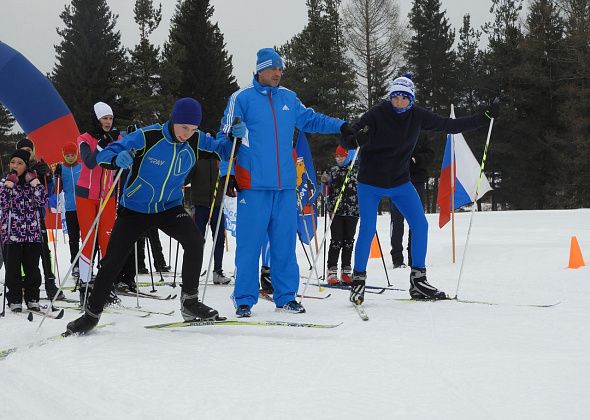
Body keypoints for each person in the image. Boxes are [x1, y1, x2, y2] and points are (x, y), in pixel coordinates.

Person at [65, 97, 234, 335]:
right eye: (184, 127)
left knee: (195, 241)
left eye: (193, 129)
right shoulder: (148, 137)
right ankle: (91, 315)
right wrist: (116, 158)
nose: (188, 133)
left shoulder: (196, 141)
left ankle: (189, 302)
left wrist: (231, 136)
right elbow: (105, 155)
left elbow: (224, 151)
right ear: (174, 120)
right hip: (135, 209)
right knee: (112, 261)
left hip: (168, 207)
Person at [341, 73, 499, 303]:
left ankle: (418, 281)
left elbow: (450, 126)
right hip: (370, 182)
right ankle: (358, 280)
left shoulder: (417, 115)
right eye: (395, 97)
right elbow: (348, 138)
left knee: (420, 224)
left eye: (404, 98)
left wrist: (483, 117)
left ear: (411, 99)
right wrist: (352, 139)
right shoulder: (377, 114)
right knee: (368, 228)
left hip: (399, 182)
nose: (398, 102)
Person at [218, 48, 349, 317]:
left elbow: (312, 119)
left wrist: (342, 126)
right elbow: (222, 140)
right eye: (272, 69)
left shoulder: (289, 98)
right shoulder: (240, 98)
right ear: (259, 71)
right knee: (249, 244)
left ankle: (286, 296)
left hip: (285, 185)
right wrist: (226, 170)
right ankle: (244, 299)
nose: (277, 73)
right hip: (252, 185)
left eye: (280, 69)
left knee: (284, 244)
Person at [75, 102, 120, 306]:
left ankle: (105, 287)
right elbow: (90, 162)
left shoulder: (116, 138)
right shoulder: (84, 139)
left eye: (110, 118)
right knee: (88, 239)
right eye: (104, 118)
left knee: (107, 242)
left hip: (108, 195)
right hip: (86, 196)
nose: (108, 122)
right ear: (96, 119)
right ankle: (85, 286)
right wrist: (102, 143)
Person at [0, 149, 48, 312]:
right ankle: (14, 299)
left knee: (32, 269)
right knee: (13, 269)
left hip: (31, 233)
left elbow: (43, 201)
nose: (15, 166)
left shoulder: (32, 182)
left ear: (26, 166)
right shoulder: (5, 182)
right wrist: (8, 186)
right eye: (13, 162)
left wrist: (36, 183)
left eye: (19, 163)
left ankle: (32, 297)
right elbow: (2, 204)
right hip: (12, 234)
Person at [15, 138, 62, 300]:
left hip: (37, 216)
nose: (27, 153)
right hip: (19, 220)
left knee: (44, 250)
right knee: (22, 252)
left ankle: (50, 283)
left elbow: (50, 192)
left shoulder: (39, 166)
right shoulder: (15, 168)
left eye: (29, 150)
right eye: (23, 150)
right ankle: (23, 282)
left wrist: (47, 176)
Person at [188, 154, 231, 285]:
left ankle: (217, 271)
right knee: (197, 240)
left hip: (217, 204)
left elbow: (226, 178)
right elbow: (185, 178)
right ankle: (192, 273)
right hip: (200, 205)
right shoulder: (197, 157)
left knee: (219, 239)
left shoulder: (220, 158)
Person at [389, 142, 433, 268]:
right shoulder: (393, 131)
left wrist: (416, 158)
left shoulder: (420, 132)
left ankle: (413, 258)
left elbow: (430, 154)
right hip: (396, 181)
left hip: (417, 181)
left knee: (416, 221)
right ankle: (397, 258)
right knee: (397, 220)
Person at [321, 145, 359, 285]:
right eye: (336, 156)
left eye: (341, 156)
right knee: (336, 241)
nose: (338, 159)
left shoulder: (356, 170)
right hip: (336, 211)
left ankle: (346, 271)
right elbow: (324, 186)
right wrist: (324, 182)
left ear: (348, 156)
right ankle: (331, 272)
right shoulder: (333, 170)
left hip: (353, 211)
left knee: (349, 241)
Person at [53, 141, 82, 280]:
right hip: (70, 209)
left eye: (72, 155)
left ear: (77, 154)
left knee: (88, 238)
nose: (70, 157)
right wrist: (56, 176)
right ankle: (75, 264)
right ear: (64, 156)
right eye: (67, 155)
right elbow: (57, 190)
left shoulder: (81, 167)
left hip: (84, 207)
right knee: (73, 238)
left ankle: (87, 264)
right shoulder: (62, 169)